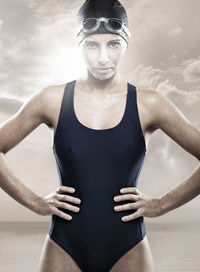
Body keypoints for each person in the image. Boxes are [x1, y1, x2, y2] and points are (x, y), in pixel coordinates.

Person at [0, 0, 199, 271]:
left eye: (113, 44)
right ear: (79, 44)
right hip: (63, 246)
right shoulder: (51, 100)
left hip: (128, 246)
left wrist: (161, 205)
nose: (103, 57)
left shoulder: (149, 104)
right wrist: (35, 202)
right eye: (92, 45)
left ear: (126, 43)